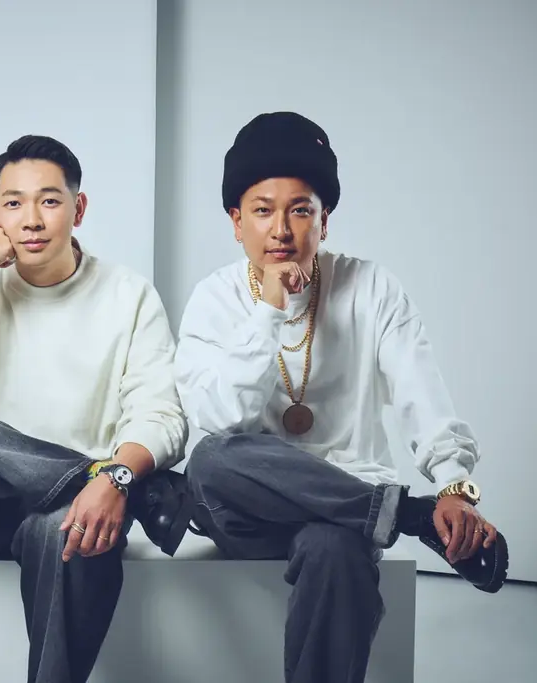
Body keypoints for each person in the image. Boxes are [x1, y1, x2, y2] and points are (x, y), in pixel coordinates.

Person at [174, 112, 509, 683]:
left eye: (300, 210)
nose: (281, 230)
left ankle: (384, 512)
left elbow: (419, 389)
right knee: (209, 461)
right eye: (262, 211)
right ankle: (406, 513)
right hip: (247, 511)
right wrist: (270, 310)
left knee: (336, 551)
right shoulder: (214, 299)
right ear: (236, 221)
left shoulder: (371, 287)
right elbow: (225, 418)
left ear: (324, 220)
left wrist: (454, 482)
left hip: (346, 516)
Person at [0, 134, 191, 683]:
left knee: (64, 531)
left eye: (49, 200)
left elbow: (161, 413)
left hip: (84, 511)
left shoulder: (128, 294)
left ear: (79, 208)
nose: (31, 219)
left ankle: (91, 483)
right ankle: (93, 476)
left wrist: (112, 481)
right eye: (13, 203)